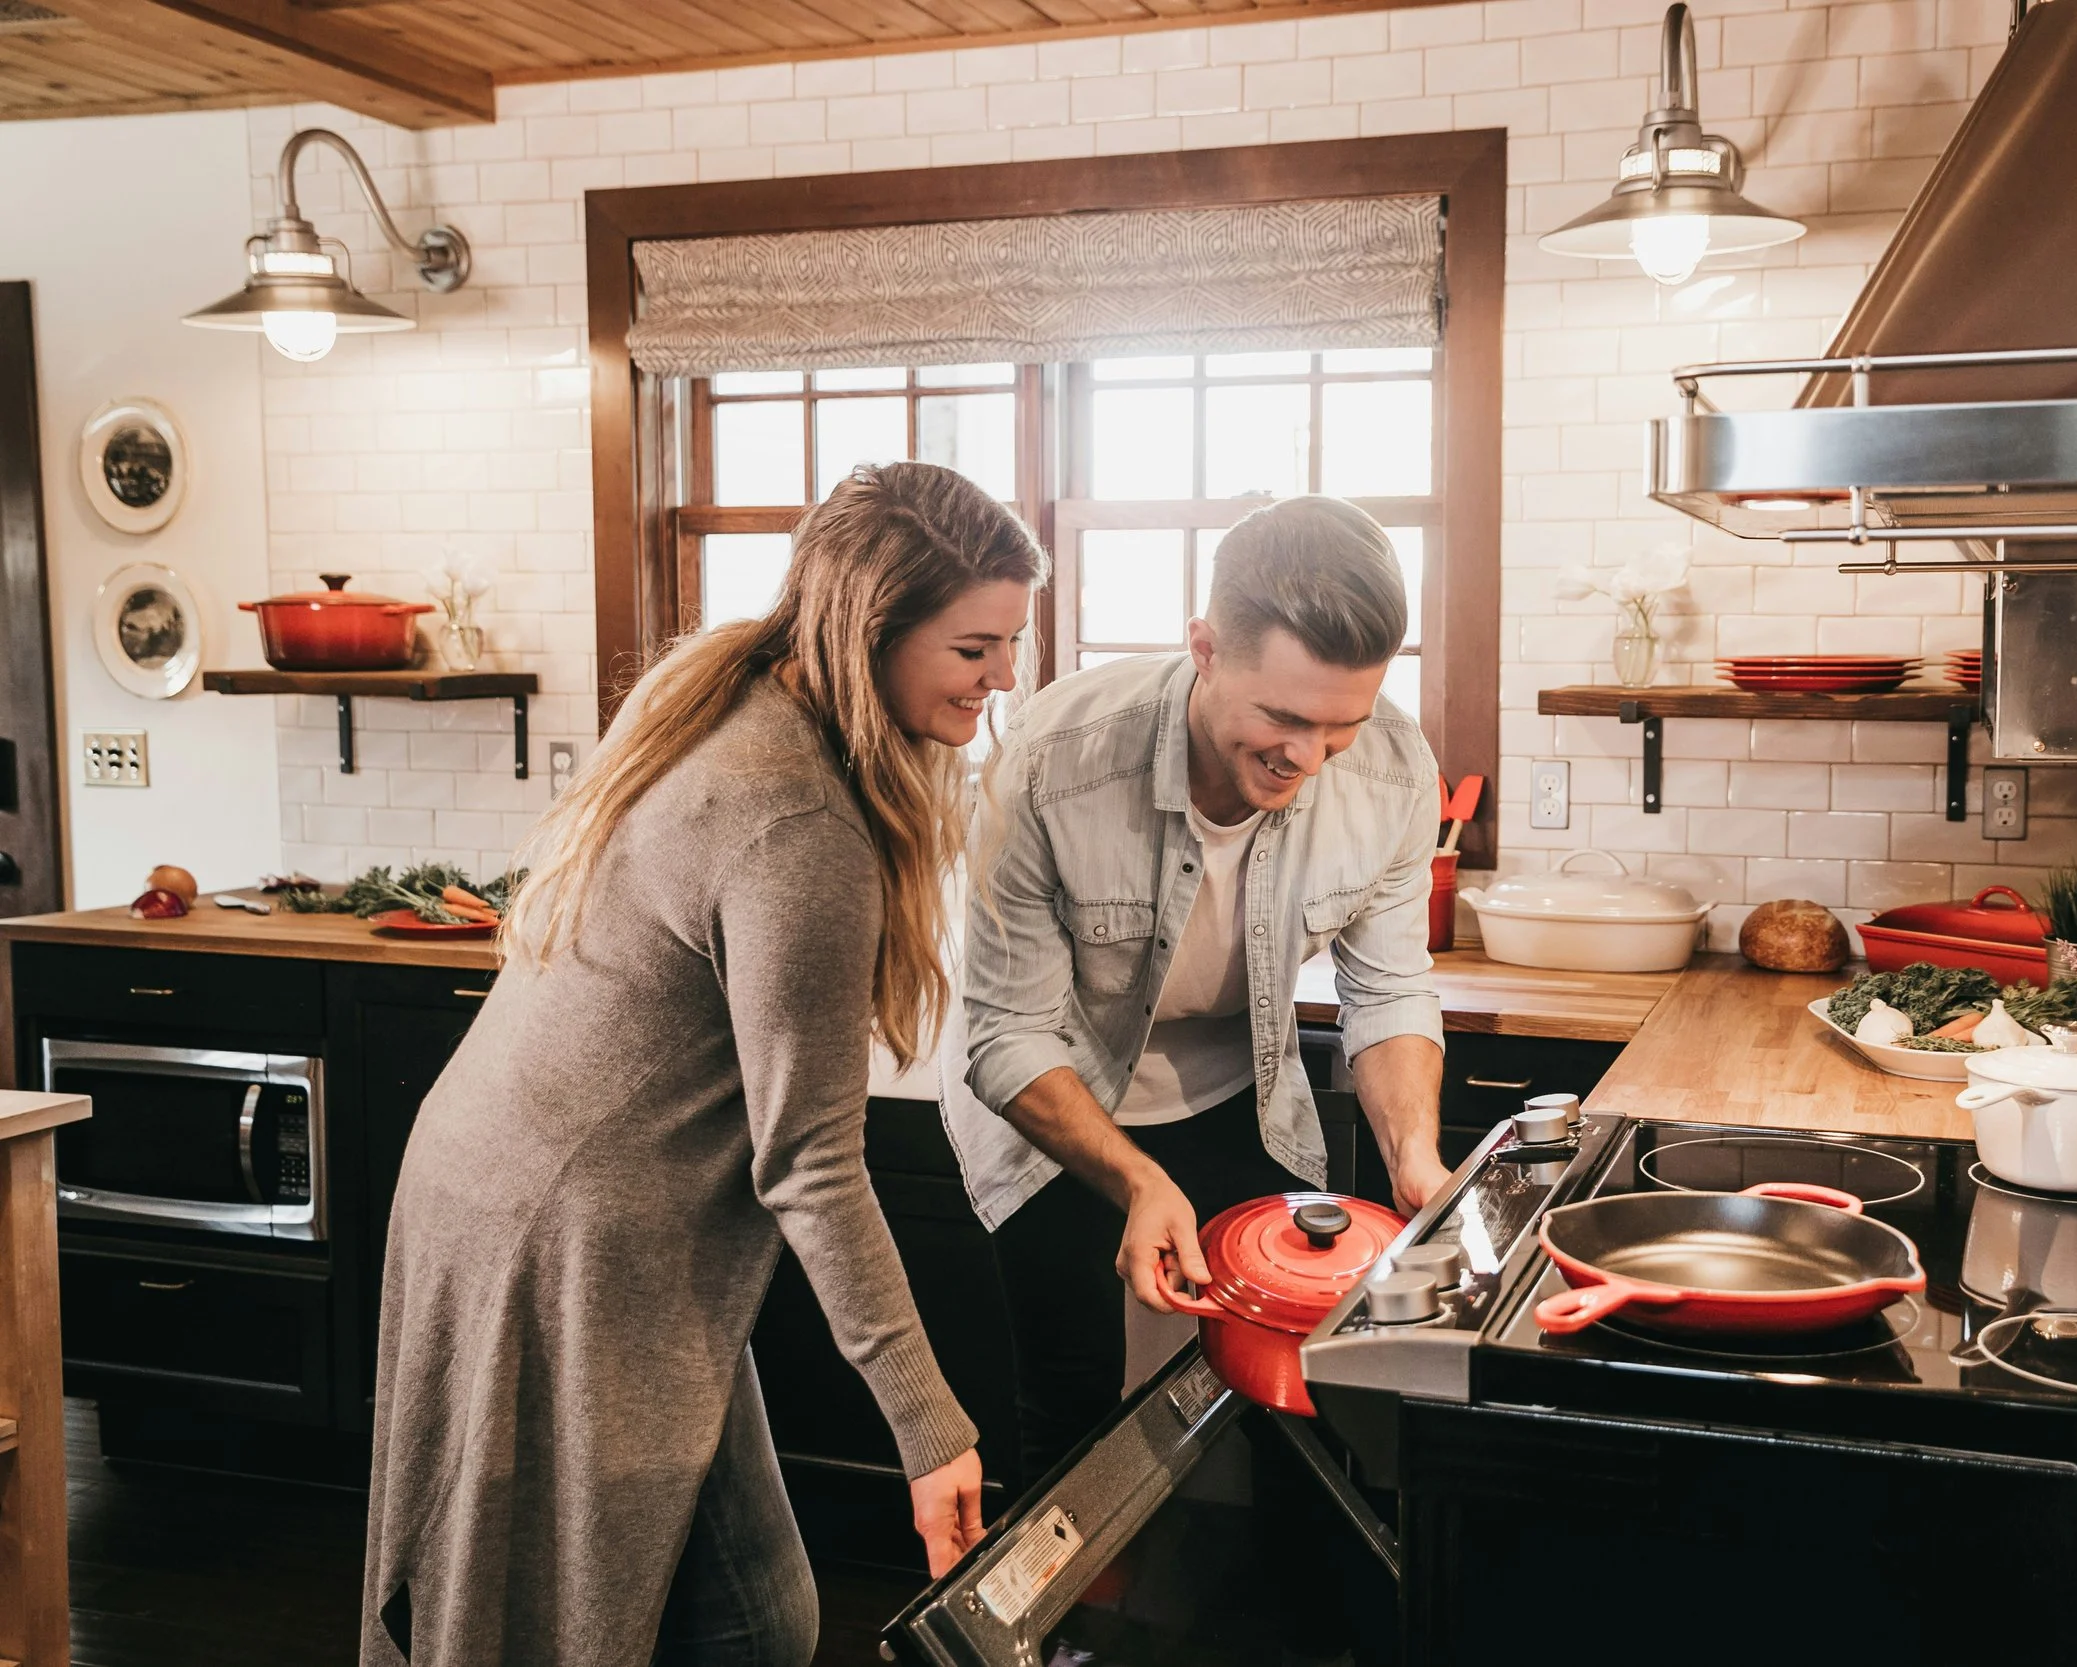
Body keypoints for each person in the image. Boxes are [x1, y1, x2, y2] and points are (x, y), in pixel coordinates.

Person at [360, 461, 1046, 1667]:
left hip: (501, 1188)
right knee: (726, 1619)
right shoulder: (797, 821)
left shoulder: (726, 694)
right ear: (867, 626)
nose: (1001, 678)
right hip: (571, 1236)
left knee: (729, 1605)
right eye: (976, 647)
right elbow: (814, 1164)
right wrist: (932, 1428)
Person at [945, 494, 1451, 1481]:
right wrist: (1136, 1179)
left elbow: (1388, 988)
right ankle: (1072, 1637)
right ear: (1205, 647)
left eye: (1339, 726)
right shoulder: (1054, 759)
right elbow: (1005, 1031)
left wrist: (1416, 1154)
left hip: (1238, 1097)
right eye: (1283, 716)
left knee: (1284, 1397)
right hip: (1055, 1102)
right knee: (1076, 1403)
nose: (1305, 759)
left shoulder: (1392, 770)